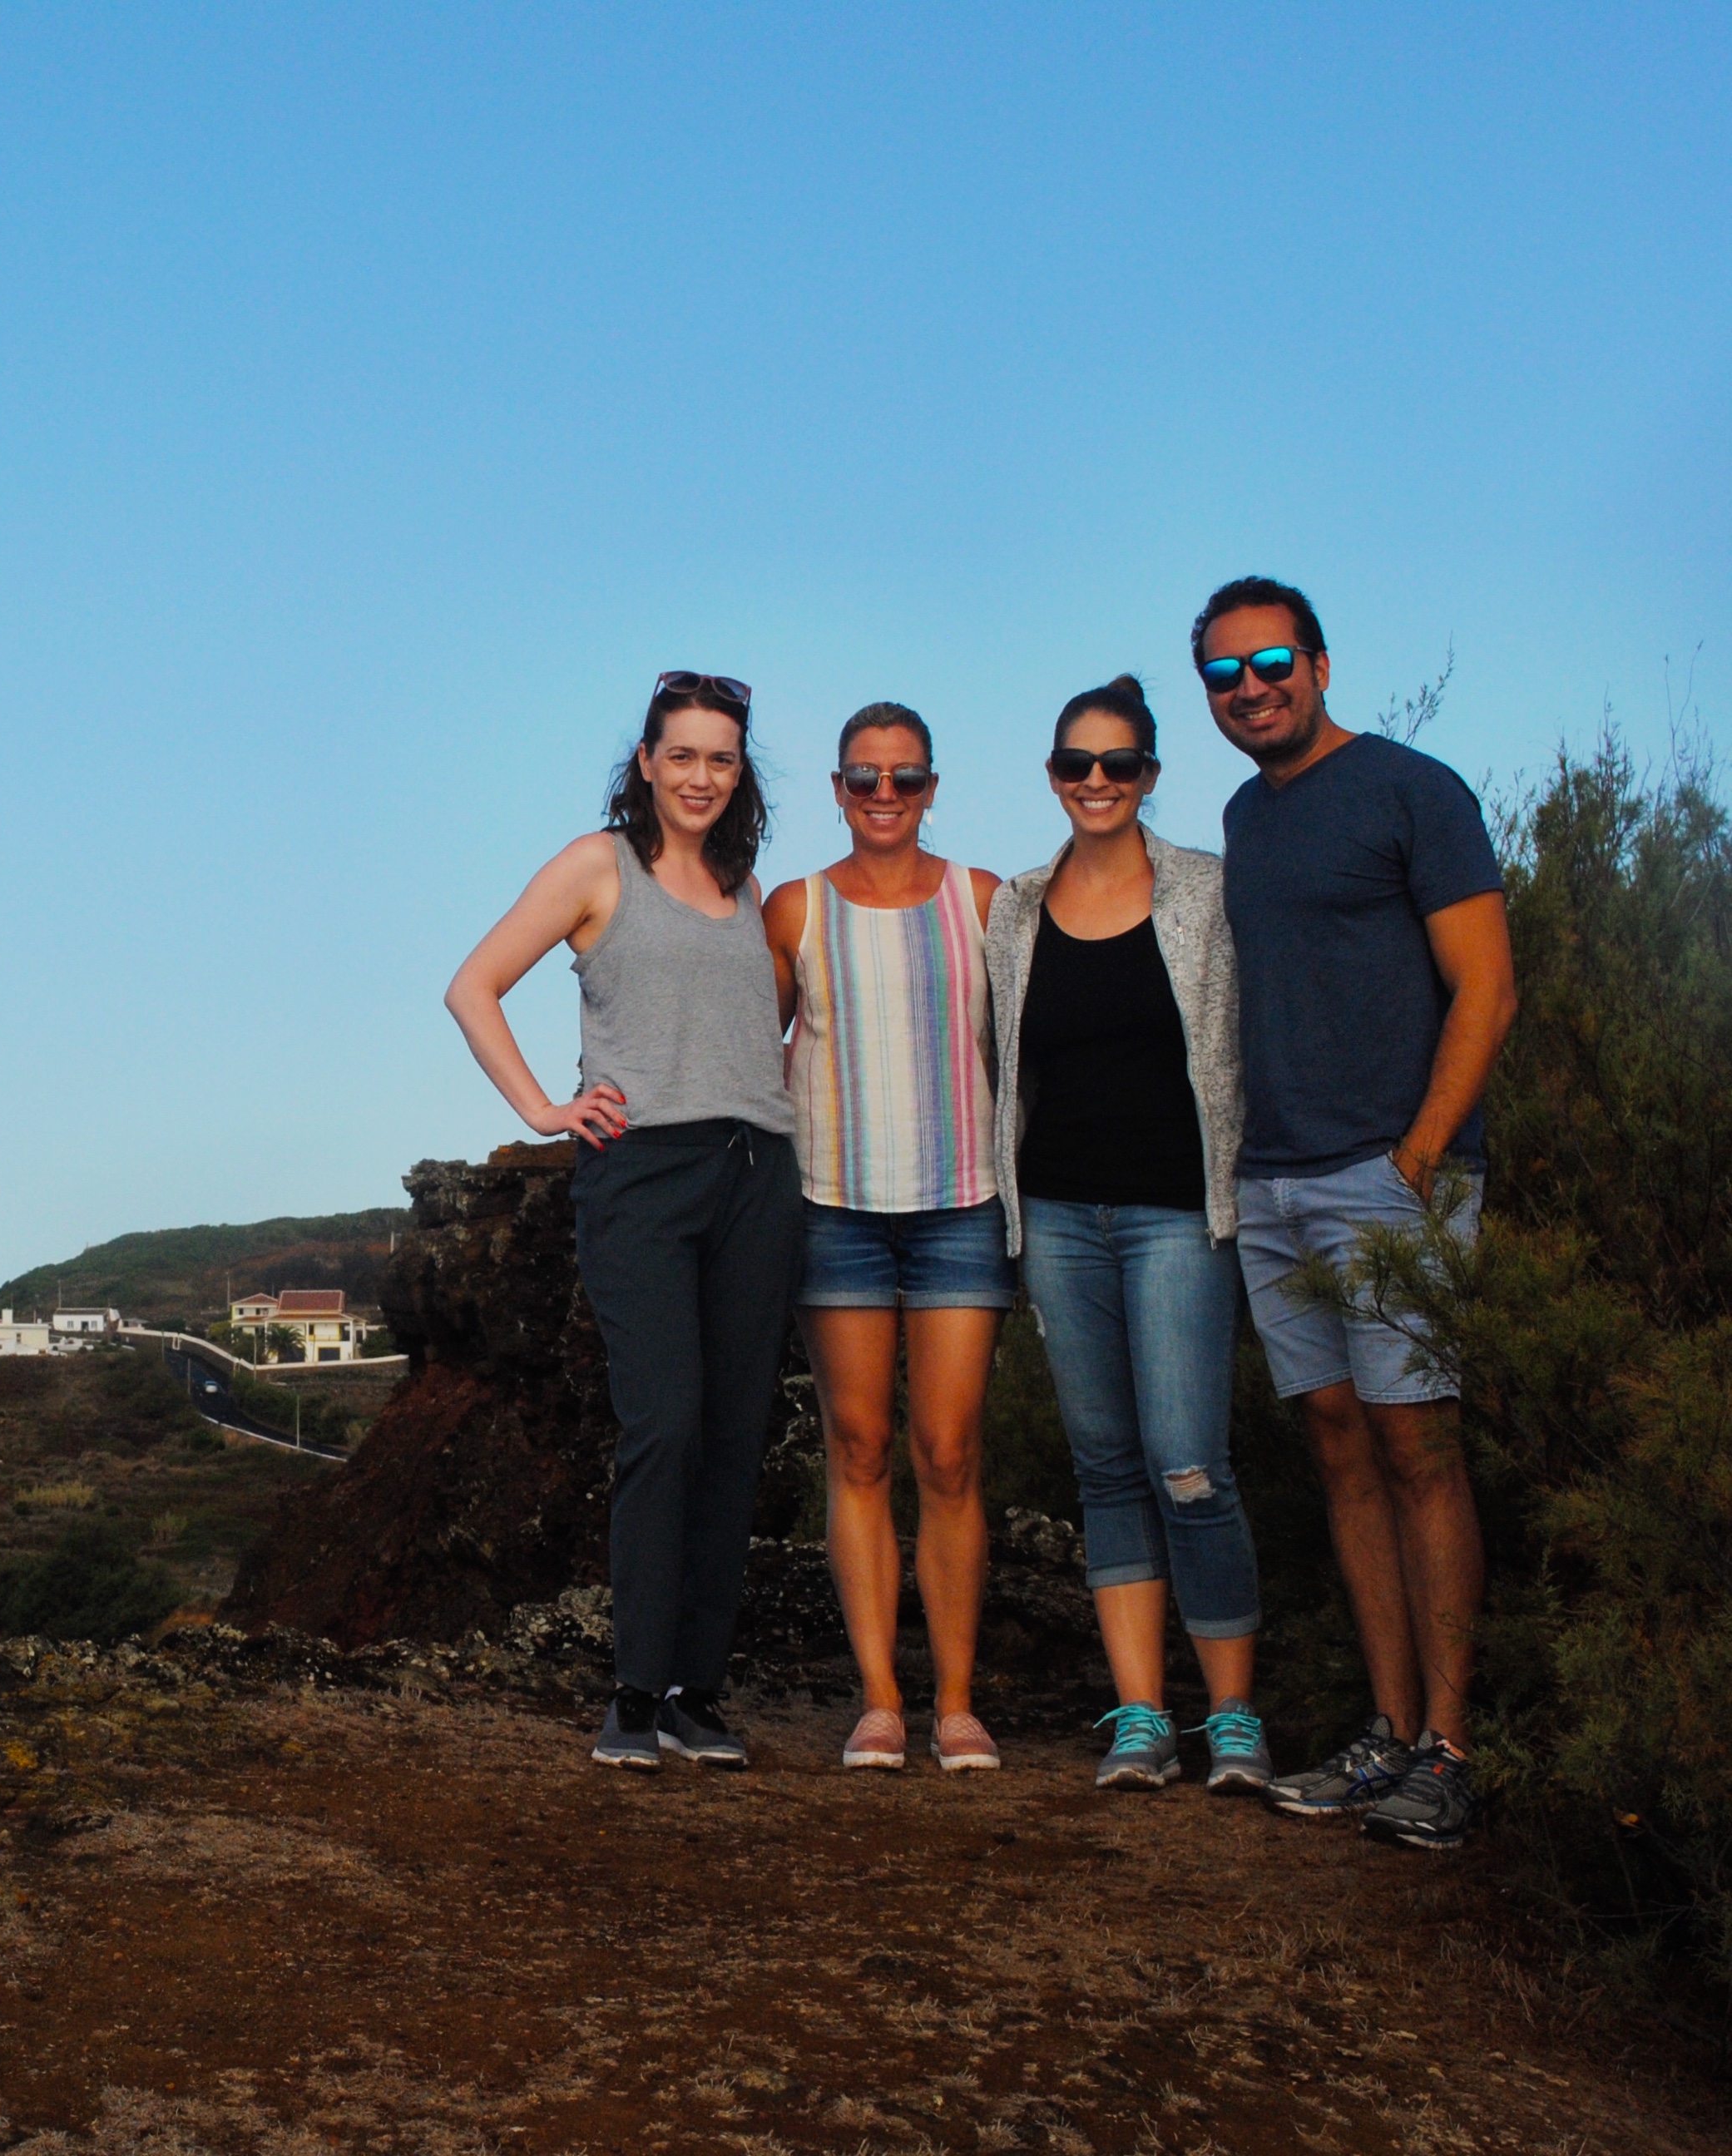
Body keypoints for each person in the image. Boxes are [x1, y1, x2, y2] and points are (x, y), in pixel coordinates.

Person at [1198, 576, 1517, 1852]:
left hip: (1391, 1179)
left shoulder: (1412, 789)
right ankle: (1387, 1735)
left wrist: (1424, 1153)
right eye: (1225, 673)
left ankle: (1449, 1751)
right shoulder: (1243, 815)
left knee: (1418, 1450)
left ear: (1320, 665)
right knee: (1339, 1449)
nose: (1252, 686)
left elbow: (1486, 987)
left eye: (1271, 661)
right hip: (1273, 1182)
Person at [447, 671, 804, 1772]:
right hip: (642, 1174)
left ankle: (700, 1694)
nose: (702, 776)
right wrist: (546, 1111)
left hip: (759, 1173)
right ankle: (636, 1693)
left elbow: (770, 1032)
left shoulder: (748, 889)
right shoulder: (598, 865)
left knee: (738, 1436)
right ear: (646, 762)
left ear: (740, 774)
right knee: (667, 1424)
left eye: (722, 759)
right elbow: (473, 986)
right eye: (682, 754)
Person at [982, 675, 1269, 1795]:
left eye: (1120, 765)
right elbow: (1002, 1058)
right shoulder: (1015, 904)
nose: (1096, 783)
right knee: (1106, 1469)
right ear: (1053, 775)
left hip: (1179, 1216)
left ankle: (1234, 1718)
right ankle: (1143, 1718)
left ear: (1151, 776)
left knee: (1190, 1466)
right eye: (1076, 765)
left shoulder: (1209, 891)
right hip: (1057, 1215)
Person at [765, 704, 1008, 1773]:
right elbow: (749, 1053)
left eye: (902, 779)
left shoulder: (984, 903)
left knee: (947, 1454)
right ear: (833, 787)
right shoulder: (794, 910)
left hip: (962, 1206)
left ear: (930, 786)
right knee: (857, 1452)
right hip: (834, 1211)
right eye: (862, 779)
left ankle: (955, 1703)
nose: (882, 798)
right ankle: (877, 1700)